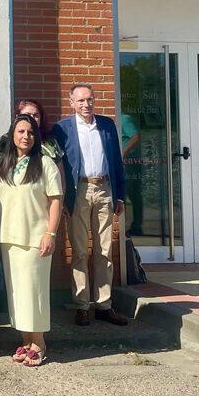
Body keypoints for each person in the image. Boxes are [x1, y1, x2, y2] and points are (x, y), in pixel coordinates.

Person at [50, 83, 130, 326]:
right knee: (80, 251)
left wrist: (119, 195)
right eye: (81, 100)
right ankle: (82, 305)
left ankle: (104, 305)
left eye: (90, 100)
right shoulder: (62, 128)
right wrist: (63, 198)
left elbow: (116, 161)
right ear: (72, 103)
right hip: (79, 191)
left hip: (105, 189)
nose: (86, 105)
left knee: (104, 251)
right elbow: (56, 165)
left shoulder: (106, 125)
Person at [0, 113, 64, 366]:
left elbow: (56, 200)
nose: (26, 136)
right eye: (21, 131)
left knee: (34, 292)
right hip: (9, 238)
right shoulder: (3, 164)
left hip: (36, 238)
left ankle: (39, 343)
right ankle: (26, 341)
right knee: (17, 294)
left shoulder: (45, 163)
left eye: (31, 132)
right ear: (12, 135)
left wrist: (51, 233)